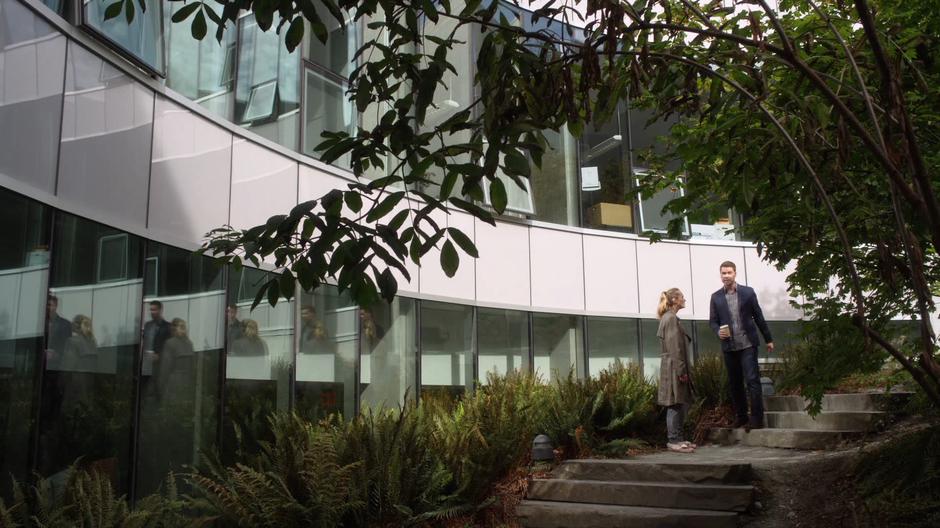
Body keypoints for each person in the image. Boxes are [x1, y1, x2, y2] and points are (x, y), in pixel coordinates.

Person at [709, 261, 774, 430]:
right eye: (723, 273)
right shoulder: (716, 297)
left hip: (747, 344)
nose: (726, 276)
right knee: (735, 383)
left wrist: (768, 338)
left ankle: (757, 419)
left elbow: (758, 316)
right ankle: (741, 417)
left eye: (729, 272)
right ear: (720, 275)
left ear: (735, 273)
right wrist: (717, 331)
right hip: (729, 346)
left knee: (752, 380)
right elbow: (713, 321)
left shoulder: (747, 292)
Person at [657, 288, 695, 453]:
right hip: (673, 367)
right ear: (674, 300)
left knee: (678, 402)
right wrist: (681, 371)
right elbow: (674, 348)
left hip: (674, 365)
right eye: (682, 297)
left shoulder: (671, 318)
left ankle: (678, 438)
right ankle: (673, 440)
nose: (684, 300)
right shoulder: (671, 319)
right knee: (673, 403)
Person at [156, 318, 195, 400]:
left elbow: (165, 368)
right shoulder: (189, 343)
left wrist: (160, 387)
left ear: (173, 328)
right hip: (187, 383)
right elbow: (192, 366)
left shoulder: (170, 343)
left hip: (173, 384)